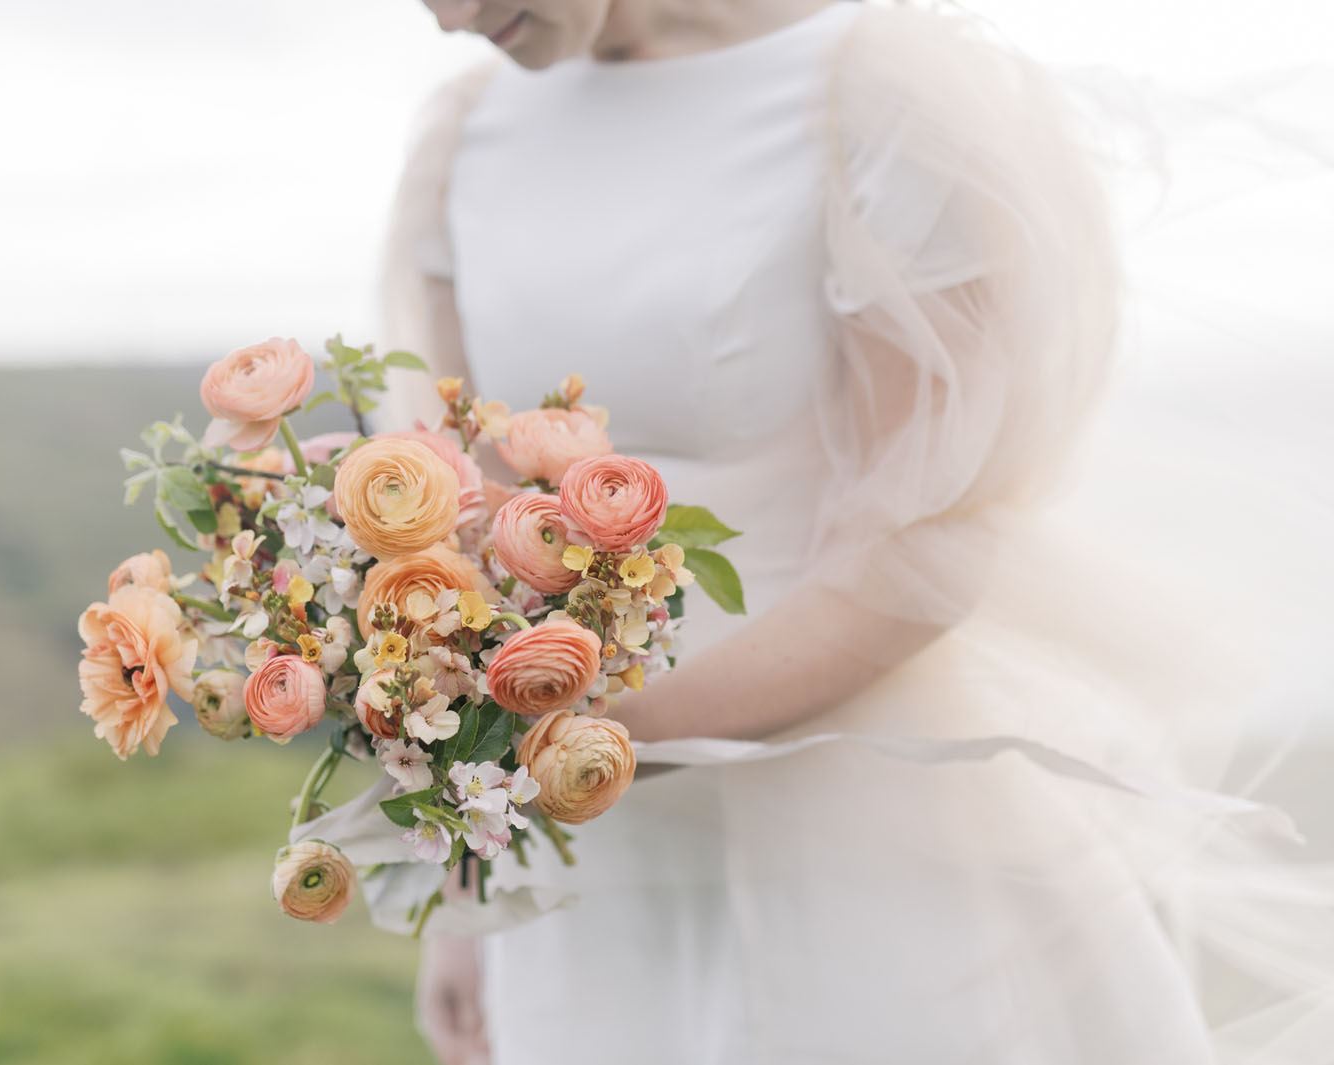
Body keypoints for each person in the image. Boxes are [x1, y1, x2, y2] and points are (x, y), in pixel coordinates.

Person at [373, 1, 1334, 1062]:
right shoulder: (464, 135)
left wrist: (619, 738)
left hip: (843, 814)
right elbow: (458, 535)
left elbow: (928, 540)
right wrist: (462, 880)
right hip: (576, 862)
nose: (448, 16)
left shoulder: (872, 99)